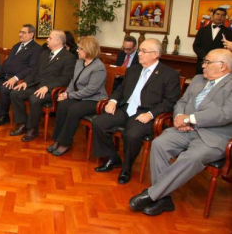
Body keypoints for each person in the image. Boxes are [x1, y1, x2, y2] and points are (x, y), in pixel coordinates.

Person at [129, 49, 232, 216]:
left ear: (222, 66)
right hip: (184, 129)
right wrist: (178, 117)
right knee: (159, 143)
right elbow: (182, 101)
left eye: (207, 62)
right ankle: (164, 200)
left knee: (191, 157)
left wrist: (189, 118)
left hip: (214, 136)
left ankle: (152, 194)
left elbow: (226, 113)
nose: (203, 65)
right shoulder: (199, 79)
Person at [92, 39, 181, 185]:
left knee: (132, 134)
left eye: (144, 51)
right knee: (99, 122)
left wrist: (151, 114)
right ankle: (112, 158)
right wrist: (113, 101)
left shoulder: (169, 74)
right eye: (140, 50)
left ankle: (126, 169)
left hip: (146, 112)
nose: (139, 54)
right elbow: (121, 89)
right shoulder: (133, 69)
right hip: (126, 107)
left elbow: (170, 101)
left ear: (156, 54)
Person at [10, 30, 76, 142]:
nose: (47, 40)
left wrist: (47, 88)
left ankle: (32, 129)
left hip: (52, 90)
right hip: (37, 85)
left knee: (34, 98)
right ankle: (23, 123)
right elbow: (34, 71)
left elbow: (65, 79)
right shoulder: (44, 53)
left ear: (58, 41)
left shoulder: (68, 57)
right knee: (15, 93)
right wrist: (26, 82)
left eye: (49, 38)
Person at [47, 36, 107, 156]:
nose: (77, 50)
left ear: (88, 50)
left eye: (80, 48)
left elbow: (90, 90)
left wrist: (69, 96)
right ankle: (58, 139)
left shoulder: (99, 67)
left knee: (74, 110)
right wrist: (66, 94)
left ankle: (65, 142)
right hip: (79, 96)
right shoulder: (79, 62)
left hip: (94, 100)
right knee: (63, 105)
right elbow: (73, 81)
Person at [0, 24, 41, 126]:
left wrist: (16, 77)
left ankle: (4, 116)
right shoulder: (16, 46)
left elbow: (31, 68)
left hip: (18, 79)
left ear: (31, 34)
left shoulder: (36, 49)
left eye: (23, 32)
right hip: (4, 75)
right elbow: (6, 62)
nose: (19, 34)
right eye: (20, 32)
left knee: (4, 88)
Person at [193, 8, 232, 74]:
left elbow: (228, 50)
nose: (220, 16)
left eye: (222, 15)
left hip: (219, 66)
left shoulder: (229, 32)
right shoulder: (202, 30)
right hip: (202, 64)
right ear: (212, 16)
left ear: (225, 17)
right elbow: (196, 46)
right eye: (217, 14)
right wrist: (206, 57)